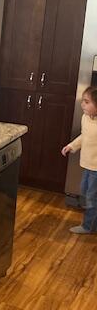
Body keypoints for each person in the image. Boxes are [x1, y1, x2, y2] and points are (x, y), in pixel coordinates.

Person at [62, 86, 97, 234]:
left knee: (91, 197)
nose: (82, 104)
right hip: (87, 165)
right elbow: (84, 136)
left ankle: (88, 226)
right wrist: (71, 146)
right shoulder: (85, 119)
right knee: (84, 192)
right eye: (83, 101)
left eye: (87, 102)